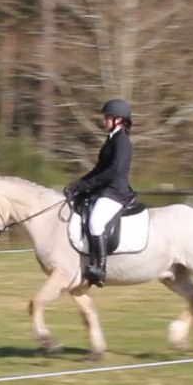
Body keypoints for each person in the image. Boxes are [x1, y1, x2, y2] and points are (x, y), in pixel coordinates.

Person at [63, 99, 135, 287]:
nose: (104, 121)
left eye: (107, 117)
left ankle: (100, 268)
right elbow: (99, 169)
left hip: (115, 192)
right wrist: (78, 185)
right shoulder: (112, 139)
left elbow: (113, 171)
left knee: (96, 222)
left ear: (118, 119)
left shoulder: (123, 142)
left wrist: (88, 185)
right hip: (105, 190)